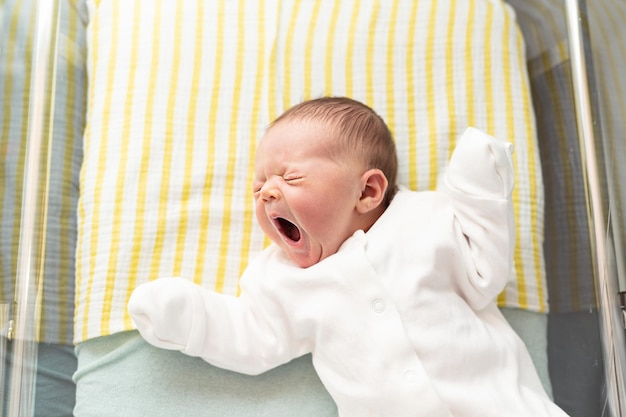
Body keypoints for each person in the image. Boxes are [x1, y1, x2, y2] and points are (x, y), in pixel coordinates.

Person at [128, 97, 569, 417]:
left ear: (367, 191)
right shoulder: (279, 278)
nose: (266, 191)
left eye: (291, 176)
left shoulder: (424, 219)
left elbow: (485, 273)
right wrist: (191, 317)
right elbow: (254, 336)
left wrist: (476, 191)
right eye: (259, 186)